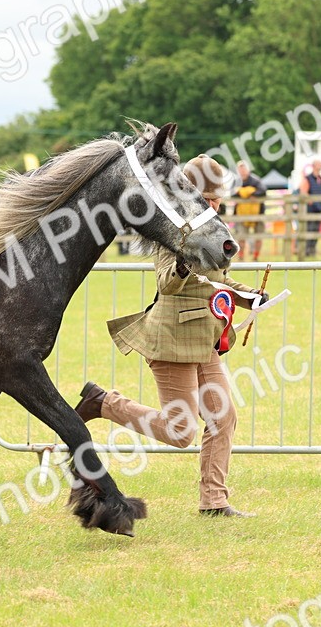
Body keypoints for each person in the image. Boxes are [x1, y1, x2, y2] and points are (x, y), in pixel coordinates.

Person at [75, 154, 266, 518]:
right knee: (180, 433)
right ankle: (103, 403)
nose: (214, 206)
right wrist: (181, 263)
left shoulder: (212, 231)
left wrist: (250, 297)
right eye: (207, 199)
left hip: (204, 340)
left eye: (217, 198)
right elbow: (167, 283)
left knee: (223, 418)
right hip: (172, 340)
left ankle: (214, 501)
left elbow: (220, 283)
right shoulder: (173, 232)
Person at [233, 161, 266, 262]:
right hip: (241, 213)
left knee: (258, 236)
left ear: (248, 170)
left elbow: (263, 190)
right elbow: (232, 193)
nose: (242, 172)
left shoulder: (255, 180)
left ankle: (256, 256)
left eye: (244, 170)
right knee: (241, 237)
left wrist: (252, 193)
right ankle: (241, 256)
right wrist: (248, 192)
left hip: (257, 213)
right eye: (240, 170)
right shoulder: (237, 181)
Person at [299, 159, 321, 258]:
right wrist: (312, 202)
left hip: (318, 209)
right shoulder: (308, 178)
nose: (320, 167)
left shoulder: (320, 178)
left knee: (315, 230)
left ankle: (312, 250)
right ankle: (306, 251)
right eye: (319, 165)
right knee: (309, 230)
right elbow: (303, 192)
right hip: (310, 209)